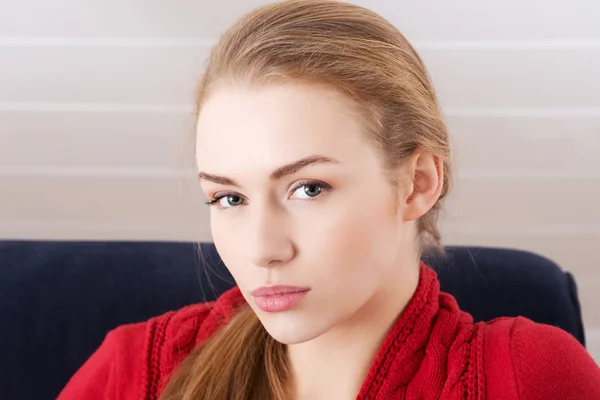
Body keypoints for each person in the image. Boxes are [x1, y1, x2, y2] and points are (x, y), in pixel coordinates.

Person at [58, 1, 600, 399]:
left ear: (417, 183)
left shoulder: (528, 377)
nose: (262, 250)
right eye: (228, 197)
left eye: (308, 189)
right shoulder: (132, 371)